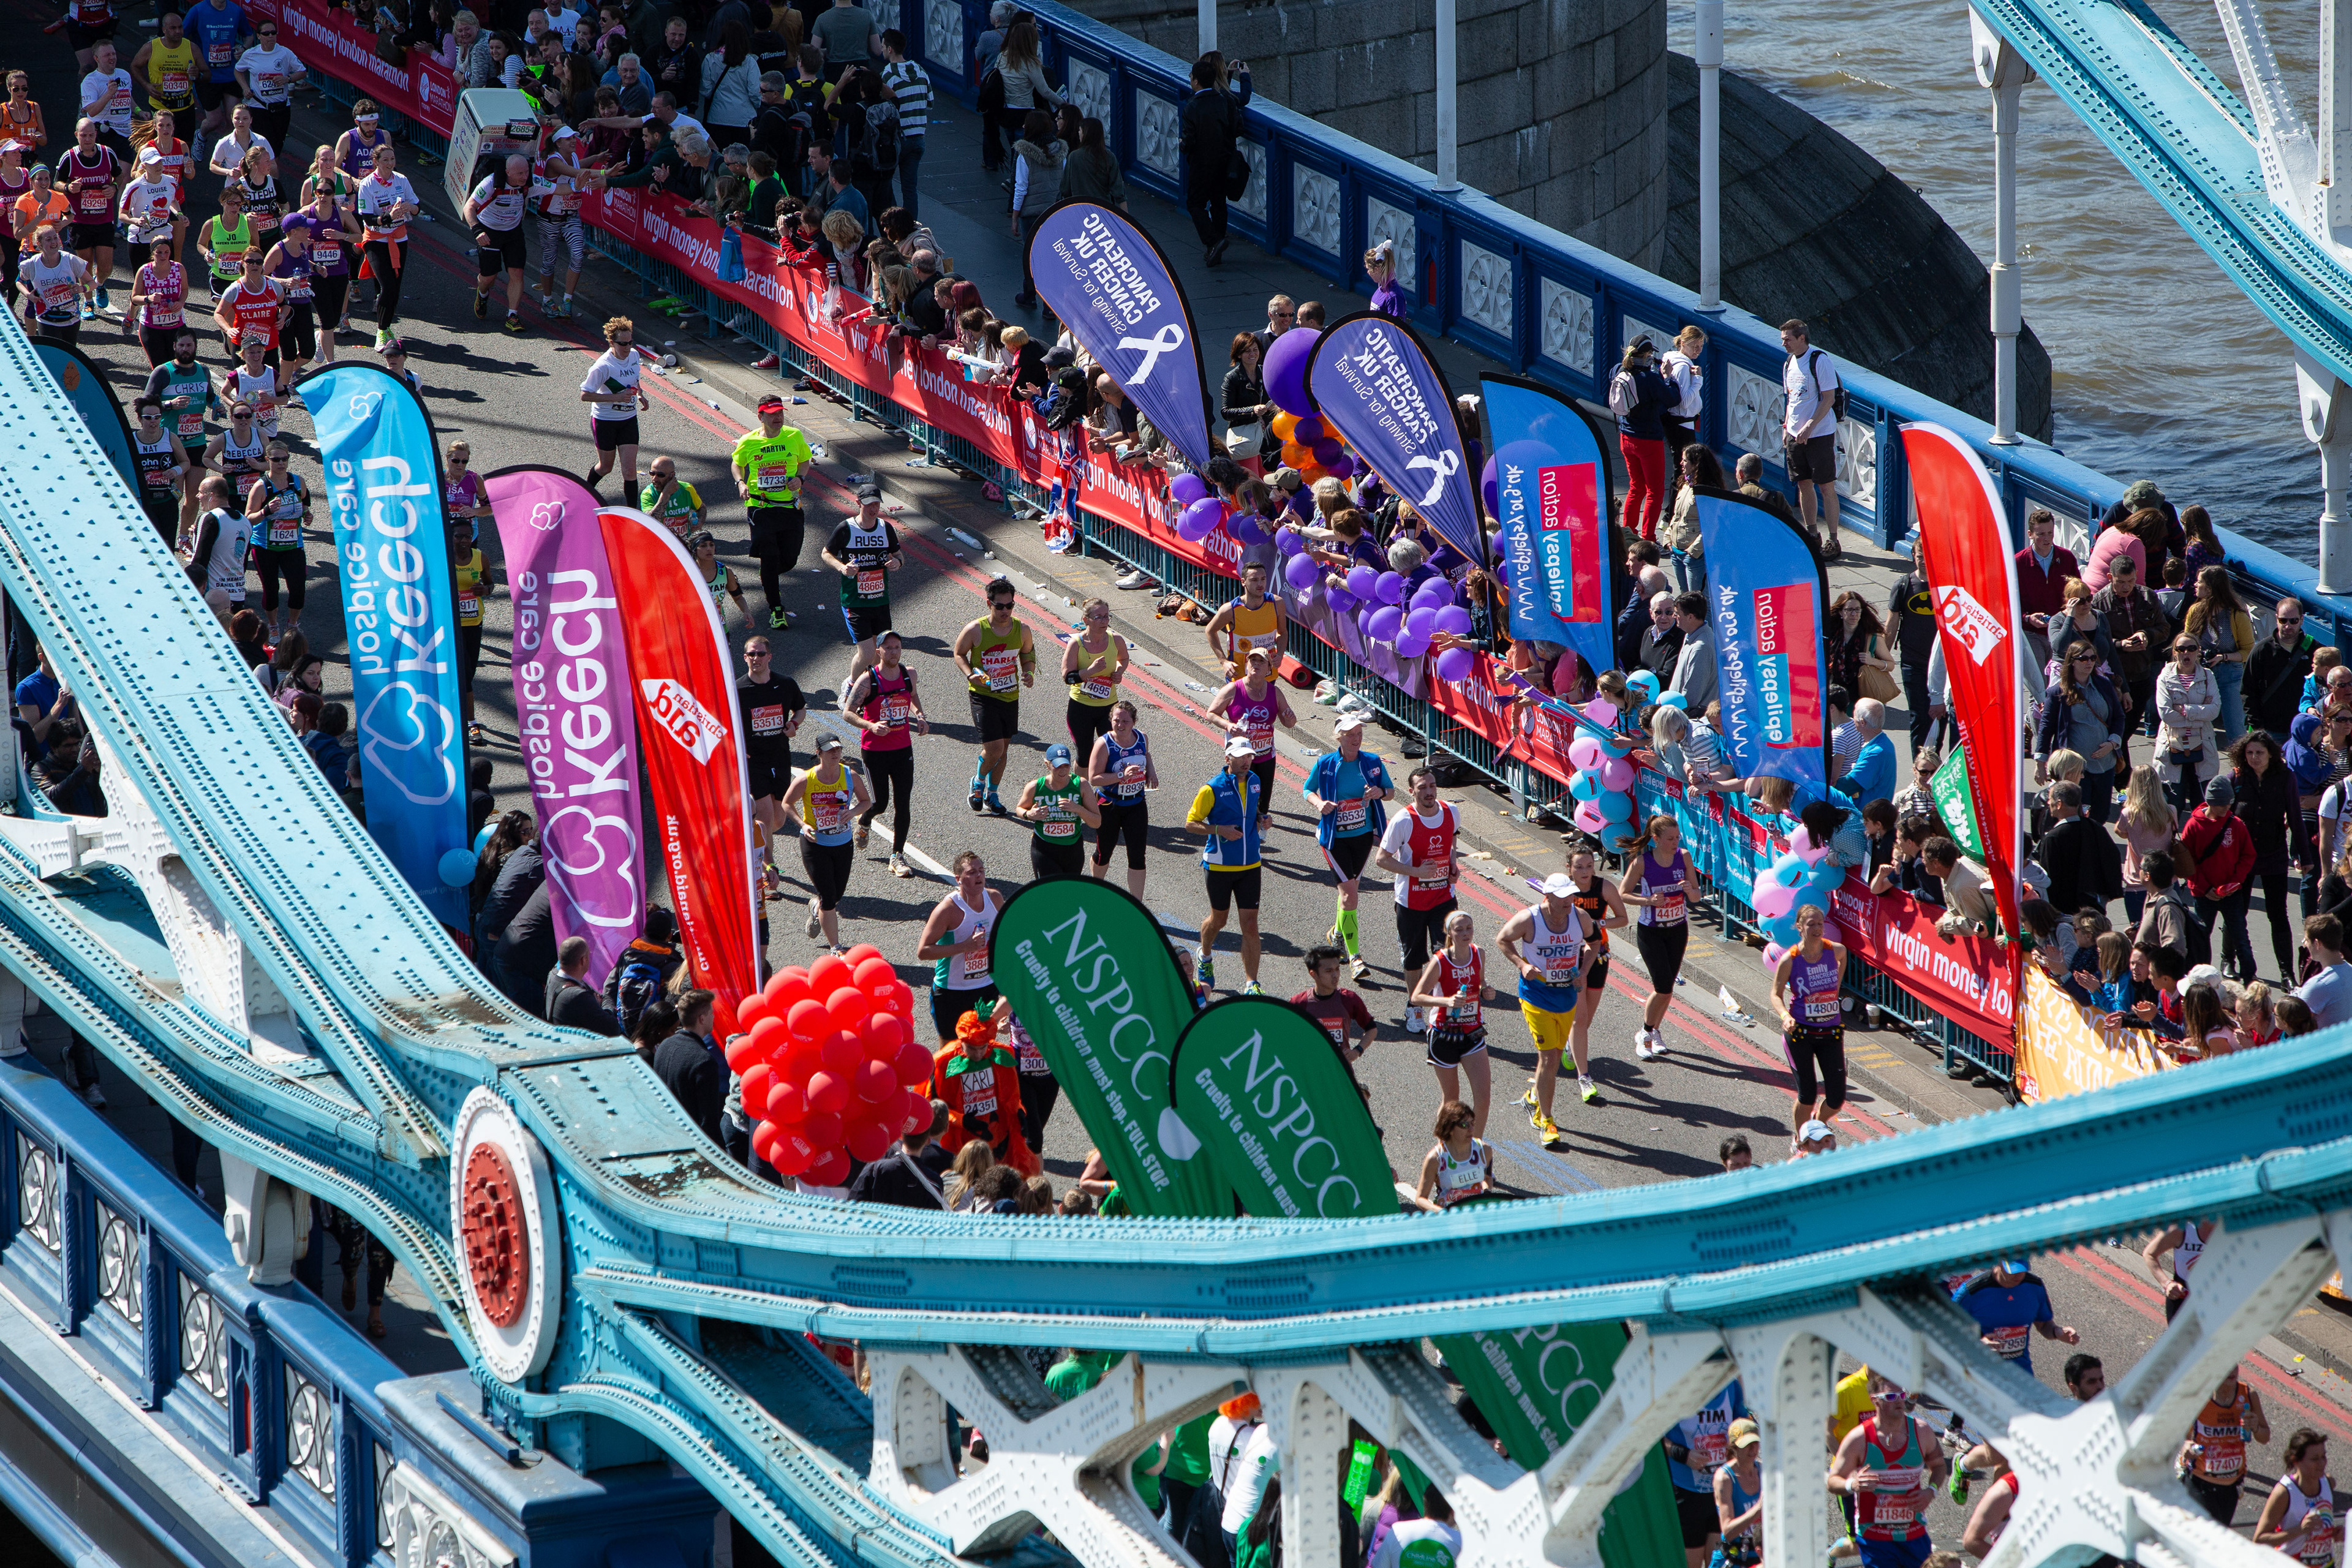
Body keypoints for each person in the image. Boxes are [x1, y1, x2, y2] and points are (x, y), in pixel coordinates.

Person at [1498, 873, 1595, 1145]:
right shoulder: (1529, 919)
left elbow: (1595, 942)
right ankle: (1547, 1121)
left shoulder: (1581, 918)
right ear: (1548, 897)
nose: (1570, 902)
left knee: (1550, 1059)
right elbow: (1503, 939)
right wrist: (1522, 965)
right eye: (1563, 897)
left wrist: (1584, 971)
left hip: (1566, 998)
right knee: (1550, 1059)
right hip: (1536, 998)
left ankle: (1532, 1099)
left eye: (1572, 895)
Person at [1302, 712, 1393, 979]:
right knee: (1350, 896)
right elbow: (1307, 789)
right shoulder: (1326, 763)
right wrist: (1319, 804)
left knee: (1349, 894)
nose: (1357, 739)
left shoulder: (1373, 762)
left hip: (1363, 837)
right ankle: (1354, 957)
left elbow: (1390, 791)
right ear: (1339, 737)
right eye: (1351, 735)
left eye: (1360, 734)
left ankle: (1337, 933)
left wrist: (1379, 793)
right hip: (1334, 839)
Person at [1828, 1376, 1945, 1566]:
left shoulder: (1922, 1431)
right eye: (1891, 1397)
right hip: (1875, 1536)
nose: (1900, 1401)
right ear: (1875, 1400)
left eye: (1902, 1395)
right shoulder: (1858, 1438)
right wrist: (1853, 1484)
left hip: (1914, 1534)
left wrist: (1931, 1491)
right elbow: (1833, 1481)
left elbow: (1939, 1466)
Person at [1377, 766, 1463, 1012]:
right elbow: (1382, 859)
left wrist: (1453, 863)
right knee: (1413, 959)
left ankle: (1441, 1007)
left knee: (1446, 953)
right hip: (1410, 902)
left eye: (1432, 786)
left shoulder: (1451, 812)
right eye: (1422, 787)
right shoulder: (1404, 820)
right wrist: (1417, 872)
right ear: (1411, 791)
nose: (1429, 792)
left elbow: (1451, 840)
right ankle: (1414, 1007)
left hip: (1443, 898)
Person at [732, 393, 818, 628]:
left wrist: (800, 478)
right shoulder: (748, 441)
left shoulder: (794, 436)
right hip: (760, 507)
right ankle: (776, 610)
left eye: (780, 413)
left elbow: (805, 460)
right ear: (761, 416)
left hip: (790, 506)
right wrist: (740, 483)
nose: (778, 418)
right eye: (772, 415)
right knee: (769, 555)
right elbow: (737, 463)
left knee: (789, 559)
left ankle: (767, 577)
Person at [1766, 902, 1847, 1148]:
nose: (1817, 928)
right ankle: (1801, 1138)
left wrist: (1834, 990)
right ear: (1799, 927)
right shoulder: (1790, 960)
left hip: (1831, 1033)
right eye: (1811, 924)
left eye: (1820, 923)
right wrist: (1785, 1016)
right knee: (1808, 1094)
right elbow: (1775, 994)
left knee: (1836, 1099)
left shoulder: (1836, 950)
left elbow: (1843, 960)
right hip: (1800, 1033)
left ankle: (1816, 1125)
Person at [1190, 737, 1266, 995]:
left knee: (1251, 925)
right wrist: (1218, 829)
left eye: (1250, 757)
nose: (1247, 761)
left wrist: (1262, 819)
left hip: (1250, 865)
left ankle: (1251, 983)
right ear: (1228, 759)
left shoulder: (1255, 781)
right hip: (1219, 867)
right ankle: (1205, 954)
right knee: (1219, 920)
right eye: (1241, 757)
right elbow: (1191, 823)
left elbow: (1252, 812)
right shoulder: (1211, 788)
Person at [845, 630, 924, 877]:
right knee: (880, 803)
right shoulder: (868, 681)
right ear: (878, 651)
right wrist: (871, 726)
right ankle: (866, 818)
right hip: (875, 751)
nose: (893, 652)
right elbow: (848, 712)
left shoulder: (908, 674)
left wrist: (920, 716)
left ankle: (897, 856)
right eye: (888, 648)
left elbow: (911, 696)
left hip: (902, 749)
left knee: (903, 804)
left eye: (897, 647)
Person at [782, 731, 869, 952]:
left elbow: (866, 801)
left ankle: (816, 906)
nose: (835, 753)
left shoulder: (850, 776)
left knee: (836, 895)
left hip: (843, 842)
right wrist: (803, 825)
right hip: (815, 844)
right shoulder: (806, 779)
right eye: (830, 750)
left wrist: (853, 813)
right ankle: (836, 947)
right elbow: (786, 804)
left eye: (838, 749)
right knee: (830, 898)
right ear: (818, 752)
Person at [1410, 911, 1496, 1134]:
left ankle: (1474, 1148)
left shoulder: (1479, 954)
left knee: (1484, 1098)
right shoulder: (1440, 961)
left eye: (1469, 928)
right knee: (1451, 1101)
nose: (1466, 933)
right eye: (1459, 929)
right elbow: (1417, 997)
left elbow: (1480, 982)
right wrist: (1446, 1001)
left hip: (1473, 1033)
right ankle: (1444, 1150)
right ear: (1449, 933)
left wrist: (1485, 991)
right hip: (1444, 1035)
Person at [954, 576, 1035, 815]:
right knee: (995, 749)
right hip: (983, 696)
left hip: (1010, 696)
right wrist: (970, 675)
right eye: (1000, 606)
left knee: (1004, 750)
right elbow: (959, 654)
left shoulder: (1022, 630)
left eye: (1010, 606)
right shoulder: (976, 629)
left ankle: (993, 794)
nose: (1005, 611)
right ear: (989, 603)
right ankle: (978, 783)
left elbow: (1028, 655)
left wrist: (1028, 673)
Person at [1619, 813, 1694, 1060]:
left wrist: (1688, 889)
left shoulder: (1683, 858)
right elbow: (1623, 894)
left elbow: (1697, 897)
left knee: (1668, 989)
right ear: (1656, 839)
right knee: (1662, 987)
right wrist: (1648, 900)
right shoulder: (1642, 862)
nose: (1676, 842)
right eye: (1670, 838)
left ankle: (1655, 1031)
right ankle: (1646, 1033)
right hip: (1651, 932)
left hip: (1677, 929)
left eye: (1678, 837)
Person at [820, 483, 903, 694]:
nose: (873, 509)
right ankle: (850, 687)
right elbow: (826, 553)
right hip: (855, 601)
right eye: (868, 505)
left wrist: (897, 563)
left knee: (879, 653)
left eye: (876, 504)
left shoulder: (886, 529)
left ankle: (872, 690)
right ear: (858, 503)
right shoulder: (846, 528)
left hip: (880, 601)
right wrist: (842, 567)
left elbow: (899, 555)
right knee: (867, 653)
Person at [737, 635, 805, 896]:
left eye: (761, 654)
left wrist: (794, 725)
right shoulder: (738, 689)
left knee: (778, 819)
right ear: (745, 658)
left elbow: (800, 709)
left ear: (770, 657)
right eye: (751, 655)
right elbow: (725, 724)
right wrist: (737, 749)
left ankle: (751, 841)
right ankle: (768, 873)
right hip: (754, 763)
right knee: (765, 820)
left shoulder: (785, 685)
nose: (756, 659)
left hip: (780, 758)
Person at [916, 850, 1001, 1045]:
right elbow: (923, 951)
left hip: (986, 988)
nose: (979, 876)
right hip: (951, 991)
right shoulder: (948, 910)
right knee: (951, 1051)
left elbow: (1004, 935)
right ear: (958, 879)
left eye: (981, 871)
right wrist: (966, 946)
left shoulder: (995, 899)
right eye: (972, 872)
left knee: (983, 1046)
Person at [1210, 647, 1295, 843]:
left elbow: (1289, 723)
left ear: (1268, 669)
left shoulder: (1275, 692)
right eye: (1252, 661)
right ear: (1246, 665)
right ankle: (1237, 836)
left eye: (1261, 662)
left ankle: (1255, 839)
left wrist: (1290, 718)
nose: (1256, 664)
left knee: (1262, 801)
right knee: (1239, 799)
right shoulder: (1233, 689)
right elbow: (1211, 713)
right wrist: (1228, 725)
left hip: (1265, 755)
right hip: (1239, 756)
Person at [1664, 1380, 1745, 1568]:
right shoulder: (1676, 1385)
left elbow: (1743, 1421)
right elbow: (1655, 1436)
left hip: (1720, 1490)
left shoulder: (1729, 1383)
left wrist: (1735, 1442)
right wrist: (1684, 1455)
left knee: (1719, 1562)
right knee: (1691, 1563)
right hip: (1686, 1490)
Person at [1779, 319, 1843, 555]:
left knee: (1826, 486)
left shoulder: (1819, 361)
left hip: (1819, 434)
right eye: (1783, 339)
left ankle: (1833, 539)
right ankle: (1812, 533)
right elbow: (1791, 399)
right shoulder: (1788, 363)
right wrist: (1788, 426)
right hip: (1796, 435)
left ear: (1802, 338)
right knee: (1803, 483)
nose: (1784, 343)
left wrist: (1810, 426)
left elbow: (1828, 398)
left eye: (1788, 339)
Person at [1178, 53, 1249, 266]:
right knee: (1219, 203)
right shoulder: (1223, 101)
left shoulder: (1191, 107)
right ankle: (1216, 245)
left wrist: (1182, 144)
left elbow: (1189, 140)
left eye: (1191, 76)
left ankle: (1214, 241)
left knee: (1195, 204)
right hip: (1223, 161)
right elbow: (1237, 127)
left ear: (1196, 81)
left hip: (1201, 164)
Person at [462, 153, 542, 334]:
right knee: (489, 278)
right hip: (489, 231)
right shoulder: (491, 183)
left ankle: (512, 315)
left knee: (517, 273)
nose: (525, 177)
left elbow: (558, 188)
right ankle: (483, 294)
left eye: (526, 172)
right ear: (508, 173)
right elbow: (469, 207)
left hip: (513, 232)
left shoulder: (529, 182)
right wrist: (477, 230)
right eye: (520, 173)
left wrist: (580, 183)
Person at [2180, 1366, 2270, 1526]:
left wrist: (2255, 1426)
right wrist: (2185, 1447)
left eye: (2234, 1364)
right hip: (2200, 1482)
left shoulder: (2249, 1395)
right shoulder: (2198, 1397)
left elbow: (2265, 1437)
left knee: (2220, 1532)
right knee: (2212, 1533)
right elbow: (2179, 1438)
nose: (2231, 1370)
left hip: (2232, 1485)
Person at [1085, 698, 1156, 897]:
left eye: (1125, 721)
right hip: (1109, 804)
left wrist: (1151, 771)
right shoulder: (1104, 744)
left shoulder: (1142, 738)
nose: (1120, 725)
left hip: (1136, 803)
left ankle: (1137, 905)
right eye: (1117, 720)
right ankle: (1095, 888)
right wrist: (1121, 776)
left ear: (1134, 722)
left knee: (1137, 857)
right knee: (1104, 853)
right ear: (1111, 720)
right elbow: (1094, 778)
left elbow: (1147, 755)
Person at [353, 143, 418, 350]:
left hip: (399, 239)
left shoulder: (402, 180)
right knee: (387, 286)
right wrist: (388, 217)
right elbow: (368, 218)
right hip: (376, 239)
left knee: (395, 288)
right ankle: (381, 331)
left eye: (392, 159)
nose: (390, 164)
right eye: (385, 160)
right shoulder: (368, 184)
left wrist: (411, 208)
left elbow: (417, 206)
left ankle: (387, 326)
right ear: (376, 162)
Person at [579, 314, 653, 494]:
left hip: (628, 419)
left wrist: (641, 395)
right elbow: (585, 395)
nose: (628, 347)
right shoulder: (603, 366)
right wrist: (616, 398)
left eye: (630, 343)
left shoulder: (634, 356)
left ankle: (633, 514)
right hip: (605, 420)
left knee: (629, 471)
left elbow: (635, 381)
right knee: (606, 467)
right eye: (623, 344)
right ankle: (584, 493)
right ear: (612, 342)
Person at [1609, 337, 1673, 540]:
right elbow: (1672, 398)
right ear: (1646, 357)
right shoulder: (1650, 379)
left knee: (1636, 486)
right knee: (1654, 491)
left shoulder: (1618, 370)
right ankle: (1648, 538)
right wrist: (1667, 378)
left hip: (1626, 437)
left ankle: (1628, 533)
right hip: (1648, 441)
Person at [2185, 565, 2255, 742]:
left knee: (2236, 729)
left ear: (2210, 589)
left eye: (2199, 582)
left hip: (2229, 674)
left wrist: (2223, 657)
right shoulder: (2195, 611)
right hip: (2201, 674)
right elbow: (2187, 641)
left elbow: (2248, 651)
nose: (2195, 584)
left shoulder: (2237, 615)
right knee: (2195, 725)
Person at [2157, 632, 2225, 815]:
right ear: (2175, 652)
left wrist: (2184, 710)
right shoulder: (2165, 677)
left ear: (2199, 652)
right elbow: (2166, 714)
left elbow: (2215, 710)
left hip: (2203, 747)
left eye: (2192, 649)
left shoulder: (2207, 675)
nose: (2186, 653)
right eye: (2181, 649)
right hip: (2172, 746)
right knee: (2171, 807)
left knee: (2203, 808)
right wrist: (2200, 712)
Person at [2254, 1428, 2342, 1565]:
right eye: (2314, 1459)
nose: (2322, 1463)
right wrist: (2300, 1530)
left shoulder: (2328, 1483)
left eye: (2323, 1457)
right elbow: (2259, 1540)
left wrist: (2334, 1532)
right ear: (2295, 1460)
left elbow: (2316, 1531)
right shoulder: (2284, 1493)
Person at [1061, 596, 1129, 764]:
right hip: (1081, 707)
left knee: (1112, 753)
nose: (1104, 621)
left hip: (1108, 706)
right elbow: (1068, 677)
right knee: (1085, 756)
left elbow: (1124, 659)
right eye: (1098, 617)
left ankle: (1104, 789)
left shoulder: (1116, 640)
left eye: (1107, 616)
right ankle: (1083, 790)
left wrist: (1119, 671)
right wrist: (1090, 671)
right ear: (1086, 620)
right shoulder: (1076, 643)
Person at [1017, 742, 1099, 881]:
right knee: (1050, 893)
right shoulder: (1035, 787)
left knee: (1069, 893)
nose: (1063, 771)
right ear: (1047, 764)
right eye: (1057, 766)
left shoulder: (1081, 785)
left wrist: (1078, 809)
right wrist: (1029, 814)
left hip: (1073, 849)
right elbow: (1020, 809)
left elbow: (1097, 822)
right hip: (1044, 848)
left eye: (1066, 766)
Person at [652, 989, 725, 1144]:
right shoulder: (704, 1062)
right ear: (702, 1019)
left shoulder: (664, 1046)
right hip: (692, 1145)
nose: (714, 1016)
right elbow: (709, 1123)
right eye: (711, 1013)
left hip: (667, 1137)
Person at [845, 1106, 947, 1208]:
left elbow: (852, 1207)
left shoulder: (876, 1169)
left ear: (901, 1135)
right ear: (928, 1141)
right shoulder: (934, 1182)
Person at [1292, 943, 1376, 1063]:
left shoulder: (1349, 999)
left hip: (1340, 1073)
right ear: (1313, 974)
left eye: (1337, 969)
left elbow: (1372, 1029)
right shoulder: (1299, 1003)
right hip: (1310, 1074)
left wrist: (1357, 1051)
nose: (1335, 976)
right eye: (1329, 971)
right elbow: (1284, 1036)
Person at [126, 397, 192, 548]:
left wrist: (175, 471)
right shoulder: (132, 441)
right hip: (144, 501)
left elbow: (186, 462)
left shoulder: (169, 437)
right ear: (140, 419)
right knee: (148, 545)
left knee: (167, 546)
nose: (153, 422)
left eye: (157, 417)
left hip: (167, 500)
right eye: (148, 418)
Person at [2252, 597, 2321, 739]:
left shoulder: (2316, 650)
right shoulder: (2262, 651)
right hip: (2272, 730)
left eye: (2293, 621)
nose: (2288, 626)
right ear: (2276, 618)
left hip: (2307, 729)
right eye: (2283, 620)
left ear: (2302, 619)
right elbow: (2248, 690)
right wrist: (2257, 726)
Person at [1205, 560, 1284, 682]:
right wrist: (1224, 661)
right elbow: (1210, 631)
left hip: (1267, 677)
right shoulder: (1230, 610)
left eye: (1263, 579)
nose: (1260, 584)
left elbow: (1283, 633)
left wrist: (1280, 655)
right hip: (1239, 678)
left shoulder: (1276, 603)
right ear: (1243, 582)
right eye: (1254, 580)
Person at [1410, 1099, 1493, 1212]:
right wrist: (1441, 1213)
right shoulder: (1436, 1159)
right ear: (1449, 1128)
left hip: (1476, 1212)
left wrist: (1487, 1193)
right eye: (1464, 1125)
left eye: (1472, 1123)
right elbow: (1420, 1199)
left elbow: (1487, 1178)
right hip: (1448, 1214)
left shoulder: (1484, 1151)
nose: (1472, 1129)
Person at [20, 223, 92, 343]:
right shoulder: (32, 265)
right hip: (46, 319)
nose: (54, 242)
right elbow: (19, 282)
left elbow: (92, 283)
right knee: (52, 357)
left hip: (71, 318)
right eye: (48, 239)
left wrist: (82, 289)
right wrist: (28, 295)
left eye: (55, 238)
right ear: (39, 244)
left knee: (69, 356)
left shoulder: (70, 260)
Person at [1710, 1419, 1763, 1567]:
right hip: (1734, 1559)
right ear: (1734, 1447)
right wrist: (1758, 1509)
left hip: (1758, 1557)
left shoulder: (1763, 1471)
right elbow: (1728, 1532)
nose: (1753, 1449)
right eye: (1747, 1445)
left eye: (1756, 1443)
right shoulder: (1724, 1478)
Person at [544, 936, 619, 1033]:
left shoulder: (553, 977)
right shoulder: (577, 996)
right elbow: (613, 1028)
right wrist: (606, 1007)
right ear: (583, 960)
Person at [2296, 913, 2352, 1027]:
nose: (2305, 944)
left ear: (2317, 944)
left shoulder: (2319, 985)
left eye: (2306, 939)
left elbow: (2293, 1022)